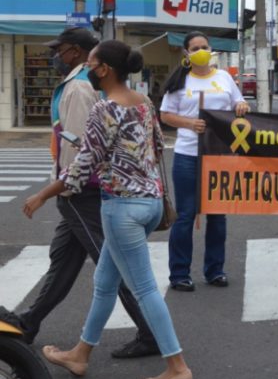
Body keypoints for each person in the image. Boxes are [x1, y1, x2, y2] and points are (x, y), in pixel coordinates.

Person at [22, 40, 192, 379]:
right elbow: (158, 147)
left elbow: (82, 168)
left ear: (105, 70)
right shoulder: (144, 103)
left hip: (122, 207)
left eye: (91, 65)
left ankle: (176, 365)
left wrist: (42, 194)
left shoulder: (104, 110)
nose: (88, 70)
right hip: (150, 203)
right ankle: (80, 354)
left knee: (144, 288)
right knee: (104, 283)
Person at [0, 29, 159, 359]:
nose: (55, 56)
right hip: (81, 190)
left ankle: (151, 332)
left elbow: (81, 149)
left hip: (81, 192)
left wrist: (55, 190)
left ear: (76, 53)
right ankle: (30, 321)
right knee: (64, 260)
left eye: (60, 50)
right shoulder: (82, 86)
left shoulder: (78, 89)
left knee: (112, 263)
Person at [160, 32, 249, 292]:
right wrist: (189, 123)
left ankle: (215, 270)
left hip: (218, 155)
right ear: (186, 53)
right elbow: (165, 115)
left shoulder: (223, 78)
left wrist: (242, 105)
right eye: (195, 48)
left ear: (211, 50)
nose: (201, 51)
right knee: (185, 215)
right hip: (187, 154)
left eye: (205, 47)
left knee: (218, 215)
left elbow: (238, 101)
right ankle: (179, 273)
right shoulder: (180, 81)